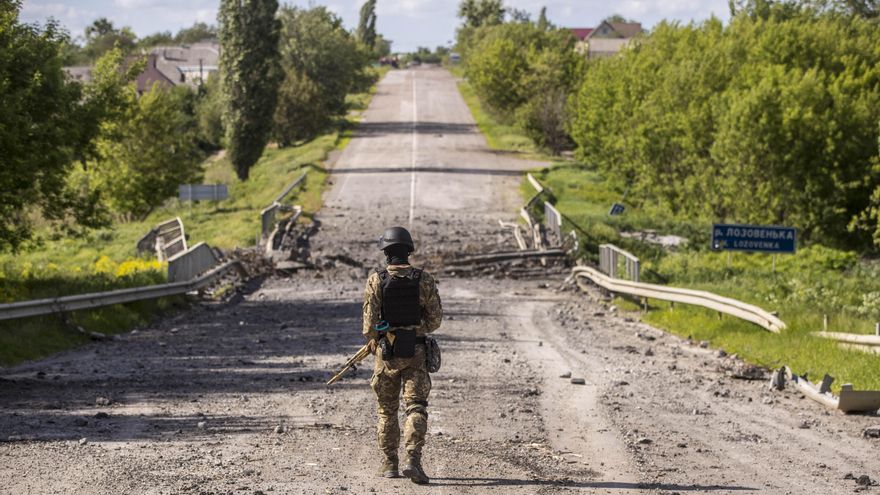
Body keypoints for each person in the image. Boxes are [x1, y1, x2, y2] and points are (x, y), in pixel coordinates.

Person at [362, 226, 442, 484]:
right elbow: (435, 320)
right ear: (409, 250)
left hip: (386, 355)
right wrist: (415, 329)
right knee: (416, 407)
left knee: (387, 411)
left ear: (386, 253)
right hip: (416, 352)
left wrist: (382, 335)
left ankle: (389, 464)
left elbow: (369, 327)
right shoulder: (424, 279)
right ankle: (413, 460)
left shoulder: (376, 280)